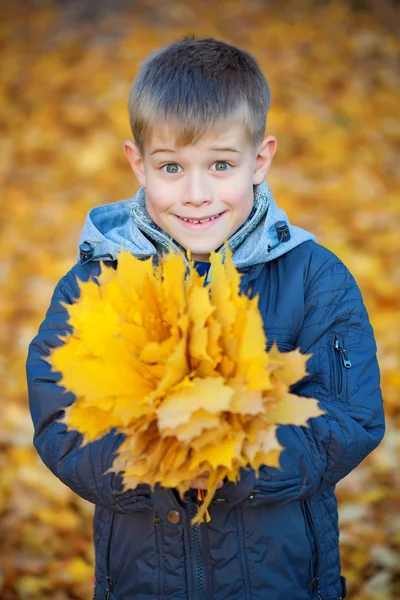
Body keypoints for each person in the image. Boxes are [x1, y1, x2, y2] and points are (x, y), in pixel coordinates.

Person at [26, 36, 384, 600]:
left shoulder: (314, 277)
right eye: (172, 166)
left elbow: (351, 418)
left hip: (280, 580)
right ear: (137, 163)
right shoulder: (96, 285)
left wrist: (234, 462)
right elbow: (62, 420)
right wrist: (156, 466)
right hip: (147, 579)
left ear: (260, 158)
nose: (196, 194)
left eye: (221, 165)